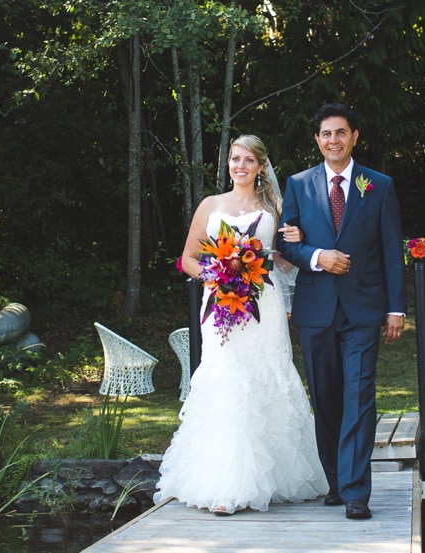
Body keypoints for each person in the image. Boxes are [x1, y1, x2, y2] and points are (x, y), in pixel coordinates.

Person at [154, 135, 328, 516]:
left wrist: (297, 240)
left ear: (261, 166)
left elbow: (285, 259)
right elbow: (186, 258)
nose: (241, 166)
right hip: (221, 306)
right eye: (235, 159)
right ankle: (224, 485)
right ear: (228, 164)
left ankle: (277, 477)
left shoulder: (276, 207)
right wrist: (217, 275)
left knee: (269, 375)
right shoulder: (211, 205)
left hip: (262, 306)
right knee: (227, 381)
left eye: (249, 160)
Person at [277, 103, 407, 520]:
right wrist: (318, 256)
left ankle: (355, 492)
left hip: (364, 310)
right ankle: (335, 481)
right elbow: (287, 245)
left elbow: (391, 251)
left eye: (341, 132)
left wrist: (396, 309)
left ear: (354, 136)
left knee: (359, 397)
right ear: (317, 140)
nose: (333, 140)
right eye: (326, 134)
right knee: (327, 399)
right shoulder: (297, 184)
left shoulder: (379, 185)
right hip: (315, 308)